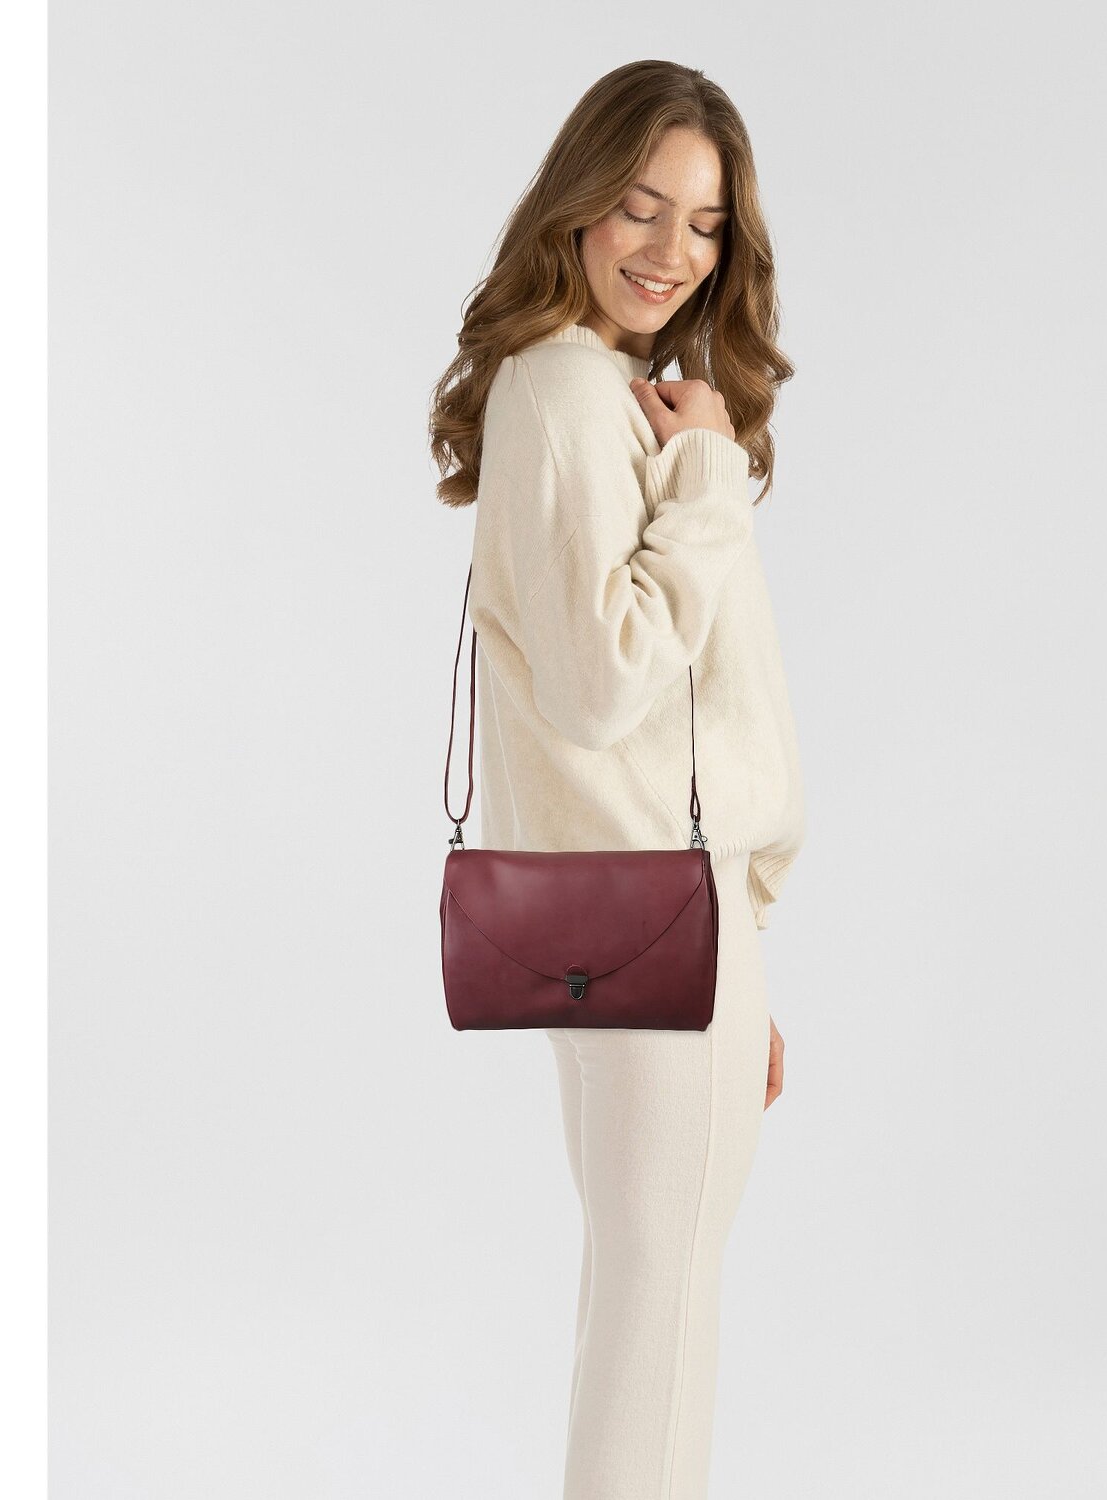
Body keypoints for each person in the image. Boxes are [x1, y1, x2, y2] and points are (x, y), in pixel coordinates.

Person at [428, 59, 806, 1500]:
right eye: (642, 206)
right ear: (579, 203)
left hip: (638, 917)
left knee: (642, 1305)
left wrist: (745, 948)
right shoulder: (576, 395)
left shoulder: (580, 391)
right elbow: (605, 688)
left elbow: (670, 714)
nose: (671, 251)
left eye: (705, 224)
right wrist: (707, 478)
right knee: (661, 1313)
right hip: (656, 906)